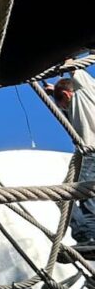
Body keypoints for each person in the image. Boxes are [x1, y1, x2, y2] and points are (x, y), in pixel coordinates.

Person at [47, 65, 95, 252]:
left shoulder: (85, 89)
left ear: (67, 95)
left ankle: (91, 236)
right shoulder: (76, 106)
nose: (65, 109)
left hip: (92, 152)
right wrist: (53, 92)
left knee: (84, 193)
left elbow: (74, 67)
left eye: (64, 105)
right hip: (86, 154)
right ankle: (85, 236)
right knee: (63, 198)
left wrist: (64, 60)